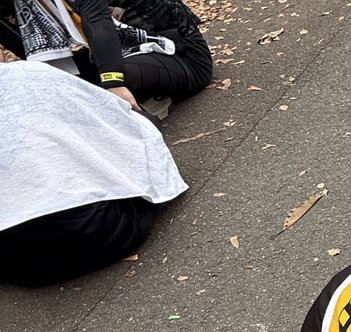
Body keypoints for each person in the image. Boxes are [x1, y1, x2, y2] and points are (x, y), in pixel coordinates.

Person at [0, 60, 188, 285]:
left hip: (17, 266)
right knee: (139, 126)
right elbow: (106, 112)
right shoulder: (27, 73)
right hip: (102, 231)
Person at [12, 0, 212, 111]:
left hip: (182, 54)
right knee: (59, 94)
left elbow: (96, 19)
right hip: (124, 53)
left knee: (97, 91)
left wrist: (113, 82)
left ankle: (141, 100)